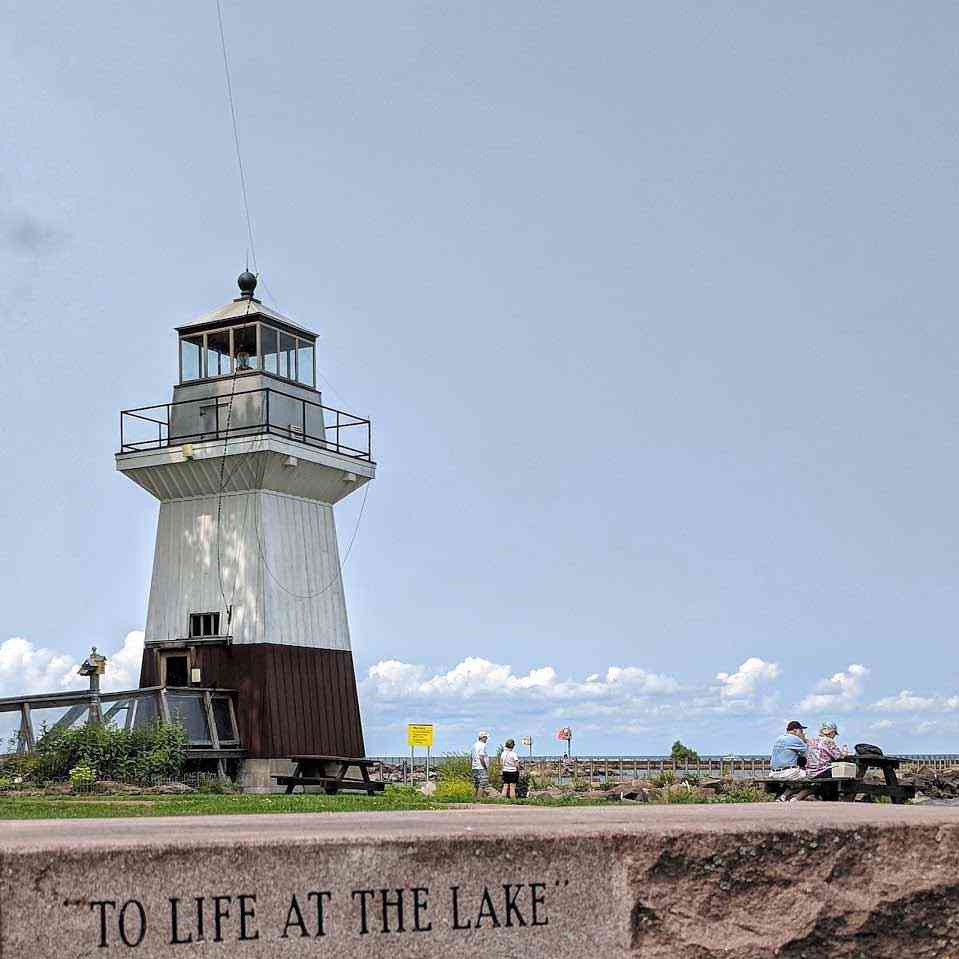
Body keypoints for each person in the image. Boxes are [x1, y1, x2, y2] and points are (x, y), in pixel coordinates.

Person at [769, 720, 809, 801]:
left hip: (773, 773)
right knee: (811, 779)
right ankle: (791, 796)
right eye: (801, 731)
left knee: (797, 779)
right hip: (787, 773)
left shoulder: (779, 738)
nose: (802, 733)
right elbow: (809, 752)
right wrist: (803, 739)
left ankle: (783, 796)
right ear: (795, 730)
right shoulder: (794, 739)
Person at [471, 730, 490, 799]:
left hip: (474, 767)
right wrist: (485, 767)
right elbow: (481, 757)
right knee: (482, 784)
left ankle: (473, 799)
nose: (487, 739)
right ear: (483, 738)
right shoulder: (482, 745)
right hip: (481, 767)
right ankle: (479, 799)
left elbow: (471, 757)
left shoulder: (474, 745)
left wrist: (472, 765)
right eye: (486, 737)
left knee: (475, 784)